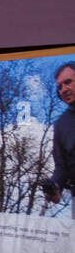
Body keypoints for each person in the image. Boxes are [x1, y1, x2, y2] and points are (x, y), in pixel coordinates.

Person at [41, 61, 75, 215]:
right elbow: (61, 167)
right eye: (60, 87)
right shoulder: (61, 125)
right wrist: (54, 187)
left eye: (68, 82)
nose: (63, 90)